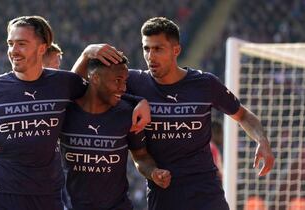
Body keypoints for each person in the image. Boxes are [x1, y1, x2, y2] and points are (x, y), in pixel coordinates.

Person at [72, 17, 275, 210]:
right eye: (146, 49)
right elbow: (75, 91)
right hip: (163, 192)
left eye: (158, 49)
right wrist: (86, 54)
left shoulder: (204, 84)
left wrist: (262, 140)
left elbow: (243, 116)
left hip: (205, 190)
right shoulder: (131, 83)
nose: (150, 56)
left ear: (176, 50)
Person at [0, 16, 150, 210]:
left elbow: (99, 92)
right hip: (1, 194)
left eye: (21, 44)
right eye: (10, 44)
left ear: (42, 48)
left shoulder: (62, 84)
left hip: (47, 195)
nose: (13, 51)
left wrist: (138, 101)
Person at [0, 56, 170, 210]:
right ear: (95, 78)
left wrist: (153, 172)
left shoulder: (128, 113)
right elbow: (30, 135)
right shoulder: (64, 112)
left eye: (125, 81)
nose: (123, 87)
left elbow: (141, 155)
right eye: (117, 81)